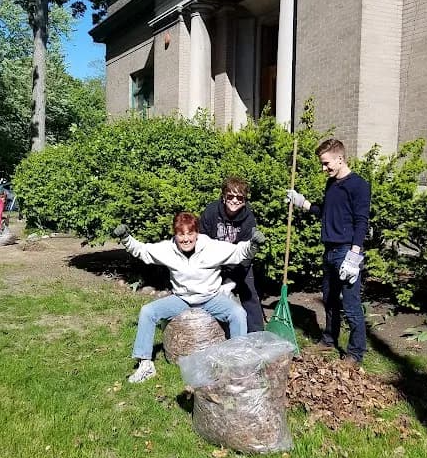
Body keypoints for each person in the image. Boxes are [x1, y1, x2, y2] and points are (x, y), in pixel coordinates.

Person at [112, 212, 267, 383]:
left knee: (237, 313)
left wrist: (253, 244)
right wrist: (126, 238)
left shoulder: (211, 248)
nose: (186, 239)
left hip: (211, 297)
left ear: (197, 234)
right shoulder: (167, 249)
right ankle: (145, 364)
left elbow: (239, 252)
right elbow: (142, 250)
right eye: (181, 234)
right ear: (175, 235)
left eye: (190, 233)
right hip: (182, 299)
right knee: (148, 311)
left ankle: (237, 363)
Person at [286, 138, 371, 367]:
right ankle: (328, 340)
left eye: (326, 163)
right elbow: (326, 212)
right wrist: (302, 202)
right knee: (330, 300)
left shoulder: (358, 185)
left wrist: (354, 256)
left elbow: (361, 222)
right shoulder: (331, 184)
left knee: (351, 306)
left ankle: (355, 354)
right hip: (330, 250)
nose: (324, 169)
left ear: (340, 158)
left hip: (347, 252)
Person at [199, 176, 264, 333]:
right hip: (214, 262)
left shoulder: (249, 218)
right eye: (230, 196)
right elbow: (201, 240)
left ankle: (257, 335)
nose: (234, 200)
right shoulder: (211, 211)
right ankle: (209, 331)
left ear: (245, 200)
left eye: (240, 197)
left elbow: (247, 255)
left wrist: (232, 282)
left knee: (250, 295)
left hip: (239, 263)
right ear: (223, 197)